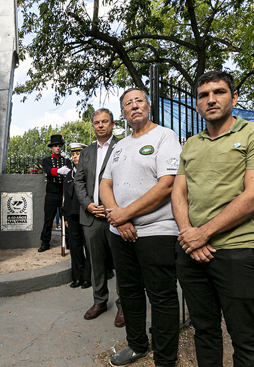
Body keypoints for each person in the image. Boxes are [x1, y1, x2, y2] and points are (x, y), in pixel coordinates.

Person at [172, 70, 254, 366]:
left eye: (219, 92)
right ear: (197, 103)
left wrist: (202, 233)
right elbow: (178, 193)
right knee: (204, 331)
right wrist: (188, 235)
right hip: (192, 252)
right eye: (203, 95)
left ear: (234, 97)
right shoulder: (191, 144)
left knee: (244, 337)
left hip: (240, 251)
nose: (211, 99)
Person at [99, 88, 182, 367]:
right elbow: (105, 184)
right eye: (128, 104)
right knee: (129, 291)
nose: (134, 106)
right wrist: (116, 217)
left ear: (148, 106)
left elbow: (167, 184)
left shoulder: (165, 136)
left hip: (157, 231)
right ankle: (137, 345)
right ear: (122, 113)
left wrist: (125, 215)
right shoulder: (120, 145)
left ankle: (166, 357)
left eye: (139, 101)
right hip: (119, 233)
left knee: (162, 295)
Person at [75, 109, 124, 326]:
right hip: (92, 217)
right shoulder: (86, 153)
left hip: (116, 215)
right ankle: (99, 301)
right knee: (96, 264)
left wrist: (113, 207)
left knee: (122, 263)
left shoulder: (123, 146)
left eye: (105, 122)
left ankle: (124, 305)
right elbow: (79, 182)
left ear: (113, 124)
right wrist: (88, 205)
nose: (100, 125)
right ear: (93, 126)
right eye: (96, 122)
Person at [63, 142, 91, 289]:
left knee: (89, 247)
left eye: (78, 153)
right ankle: (77, 277)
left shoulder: (89, 172)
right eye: (73, 154)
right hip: (73, 216)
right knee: (75, 248)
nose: (75, 157)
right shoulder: (69, 174)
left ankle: (88, 277)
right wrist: (66, 216)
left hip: (86, 214)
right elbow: (67, 198)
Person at [38, 134, 71, 252]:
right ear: (51, 148)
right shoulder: (47, 160)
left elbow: (70, 172)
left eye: (59, 146)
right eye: (55, 146)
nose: (58, 148)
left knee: (66, 218)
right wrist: (57, 171)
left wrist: (68, 171)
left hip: (63, 193)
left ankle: (68, 241)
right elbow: (47, 170)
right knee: (48, 219)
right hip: (52, 193)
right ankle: (45, 242)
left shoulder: (66, 160)